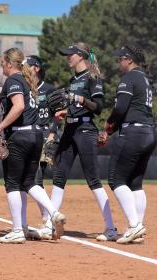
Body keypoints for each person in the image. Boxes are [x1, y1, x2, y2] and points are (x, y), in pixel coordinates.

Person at [0, 48, 66, 244]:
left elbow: (18, 106)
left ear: (10, 64)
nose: (1, 65)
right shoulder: (27, 82)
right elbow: (5, 93)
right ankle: (53, 213)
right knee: (29, 182)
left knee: (12, 183)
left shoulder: (14, 81)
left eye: (2, 62)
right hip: (36, 135)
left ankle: (18, 230)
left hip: (20, 136)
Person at [49, 42, 117, 241]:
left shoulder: (92, 78)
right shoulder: (73, 79)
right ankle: (49, 224)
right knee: (59, 177)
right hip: (70, 129)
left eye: (70, 54)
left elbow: (98, 107)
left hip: (86, 130)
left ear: (80, 56)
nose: (67, 57)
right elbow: (76, 106)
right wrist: (65, 111)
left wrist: (79, 99)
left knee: (93, 179)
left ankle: (111, 228)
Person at [104, 45, 156, 244]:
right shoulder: (144, 79)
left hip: (133, 133)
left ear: (129, 59)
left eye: (120, 59)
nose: (119, 62)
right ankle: (138, 227)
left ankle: (134, 225)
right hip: (148, 132)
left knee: (116, 180)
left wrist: (109, 124)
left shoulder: (129, 78)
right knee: (135, 183)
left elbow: (121, 108)